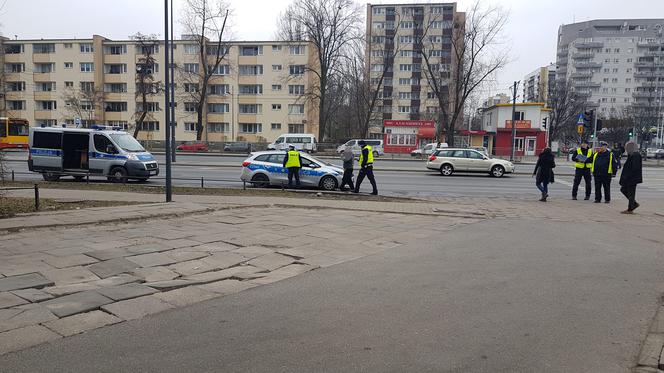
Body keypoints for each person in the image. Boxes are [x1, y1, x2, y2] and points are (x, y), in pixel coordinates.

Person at [619, 141, 642, 214]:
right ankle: (633, 204)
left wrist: (628, 176)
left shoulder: (636, 155)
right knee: (624, 190)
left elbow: (635, 168)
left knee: (631, 193)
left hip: (632, 178)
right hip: (629, 178)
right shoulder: (632, 154)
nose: (626, 149)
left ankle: (630, 208)